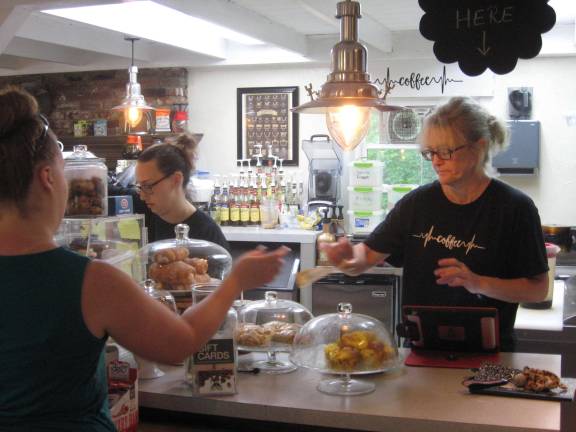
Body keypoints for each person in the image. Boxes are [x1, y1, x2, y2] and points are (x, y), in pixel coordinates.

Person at [0, 86, 287, 430]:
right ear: (47, 178)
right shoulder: (91, 280)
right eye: (64, 172)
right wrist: (236, 280)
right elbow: (178, 345)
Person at [323, 97, 548, 351]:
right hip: (422, 353)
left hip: (490, 356)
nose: (436, 161)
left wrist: (477, 282)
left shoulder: (515, 208)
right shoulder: (416, 205)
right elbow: (364, 257)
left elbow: (538, 289)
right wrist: (348, 261)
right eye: (430, 152)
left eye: (446, 151)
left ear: (478, 148)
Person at [134, 133, 229, 249]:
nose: (142, 196)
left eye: (148, 186)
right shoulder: (146, 215)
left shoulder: (207, 234)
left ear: (176, 180)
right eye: (140, 187)